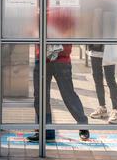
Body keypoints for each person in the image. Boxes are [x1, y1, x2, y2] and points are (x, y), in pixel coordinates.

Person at [27, 10, 89, 142]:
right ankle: (45, 129)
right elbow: (31, 30)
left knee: (68, 94)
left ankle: (83, 124)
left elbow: (74, 29)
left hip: (62, 58)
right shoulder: (38, 10)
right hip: (42, 58)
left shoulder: (66, 8)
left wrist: (56, 40)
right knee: (40, 96)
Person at [88, 45, 117, 124]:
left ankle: (116, 110)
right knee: (97, 80)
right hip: (94, 51)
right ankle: (102, 108)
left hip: (108, 50)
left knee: (110, 80)